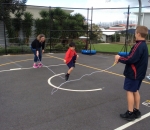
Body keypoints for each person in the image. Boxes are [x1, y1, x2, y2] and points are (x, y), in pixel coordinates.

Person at [115, 26, 149, 121]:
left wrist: (119, 58)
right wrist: (121, 56)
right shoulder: (143, 45)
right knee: (135, 91)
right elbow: (132, 55)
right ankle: (136, 111)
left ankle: (130, 113)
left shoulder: (138, 45)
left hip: (133, 74)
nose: (134, 34)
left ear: (138, 34)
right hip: (139, 74)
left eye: (135, 33)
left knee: (129, 91)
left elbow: (131, 59)